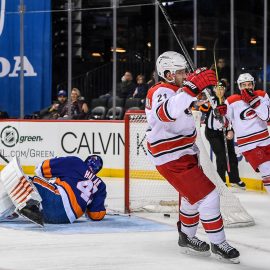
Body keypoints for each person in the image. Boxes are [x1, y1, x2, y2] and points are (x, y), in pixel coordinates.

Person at [145, 51, 240, 263]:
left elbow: (191, 106)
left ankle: (186, 237)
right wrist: (192, 87)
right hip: (171, 156)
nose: (186, 74)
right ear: (168, 74)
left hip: (183, 153)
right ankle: (218, 242)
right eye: (181, 72)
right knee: (209, 195)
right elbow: (166, 113)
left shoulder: (176, 91)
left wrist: (214, 109)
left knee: (191, 198)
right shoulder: (161, 90)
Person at [0, 155, 106, 224]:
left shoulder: (76, 163)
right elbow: (96, 215)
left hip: (56, 202)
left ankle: (12, 211)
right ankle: (29, 208)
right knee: (47, 188)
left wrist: (56, 163)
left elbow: (40, 170)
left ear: (86, 161)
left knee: (27, 182)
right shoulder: (101, 186)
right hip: (65, 219)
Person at [225, 73, 270, 193]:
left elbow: (266, 116)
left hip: (266, 141)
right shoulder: (231, 101)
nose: (247, 87)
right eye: (244, 85)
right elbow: (223, 122)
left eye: (249, 84)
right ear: (239, 87)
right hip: (249, 145)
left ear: (253, 85)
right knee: (267, 170)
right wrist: (218, 114)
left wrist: (255, 102)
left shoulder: (262, 95)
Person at [199, 81, 246, 189]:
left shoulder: (229, 102)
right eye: (217, 88)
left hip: (226, 131)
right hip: (213, 133)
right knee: (221, 156)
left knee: (231, 155)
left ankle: (235, 179)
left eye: (222, 88)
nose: (220, 90)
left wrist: (231, 130)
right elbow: (203, 107)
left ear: (225, 90)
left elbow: (232, 118)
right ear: (214, 89)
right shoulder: (211, 100)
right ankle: (221, 180)